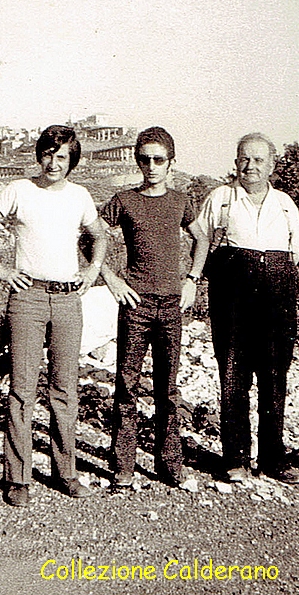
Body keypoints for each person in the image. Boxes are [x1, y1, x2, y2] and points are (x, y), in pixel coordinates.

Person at [0, 125, 110, 507]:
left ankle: (67, 473)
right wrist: (1, 270)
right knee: (22, 390)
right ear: (39, 155)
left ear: (71, 160)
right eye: (48, 153)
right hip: (27, 298)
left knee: (64, 391)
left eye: (62, 156)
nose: (53, 162)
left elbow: (100, 234)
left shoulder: (80, 196)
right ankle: (18, 478)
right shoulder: (18, 190)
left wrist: (93, 269)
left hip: (66, 301)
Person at [190, 133, 299, 485]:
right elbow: (201, 240)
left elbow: (296, 252)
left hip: (277, 292)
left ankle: (273, 457)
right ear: (236, 161)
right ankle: (235, 458)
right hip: (233, 291)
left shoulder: (286, 203)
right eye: (244, 158)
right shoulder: (221, 199)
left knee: (274, 376)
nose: (250, 166)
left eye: (258, 160)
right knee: (233, 373)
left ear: (271, 165)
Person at [98, 127, 205, 489]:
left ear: (171, 162)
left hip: (171, 304)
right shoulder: (124, 199)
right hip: (136, 305)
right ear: (137, 160)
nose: (151, 166)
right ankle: (123, 466)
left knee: (168, 388)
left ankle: (169, 462)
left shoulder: (181, 201)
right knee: (127, 385)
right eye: (144, 159)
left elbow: (201, 238)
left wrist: (192, 279)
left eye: (159, 159)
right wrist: (112, 279)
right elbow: (89, 235)